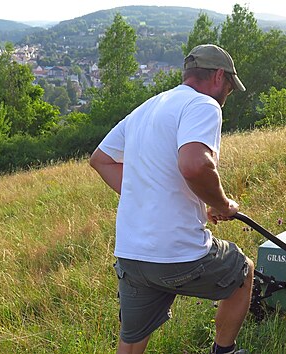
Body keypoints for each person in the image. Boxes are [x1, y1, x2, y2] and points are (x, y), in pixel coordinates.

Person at [90, 44, 254, 354]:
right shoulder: (204, 105)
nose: (226, 97)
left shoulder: (146, 108)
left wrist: (152, 195)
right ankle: (225, 350)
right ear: (219, 76)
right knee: (242, 271)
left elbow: (101, 159)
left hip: (131, 256)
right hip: (177, 256)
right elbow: (195, 165)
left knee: (133, 338)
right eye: (229, 89)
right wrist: (221, 204)